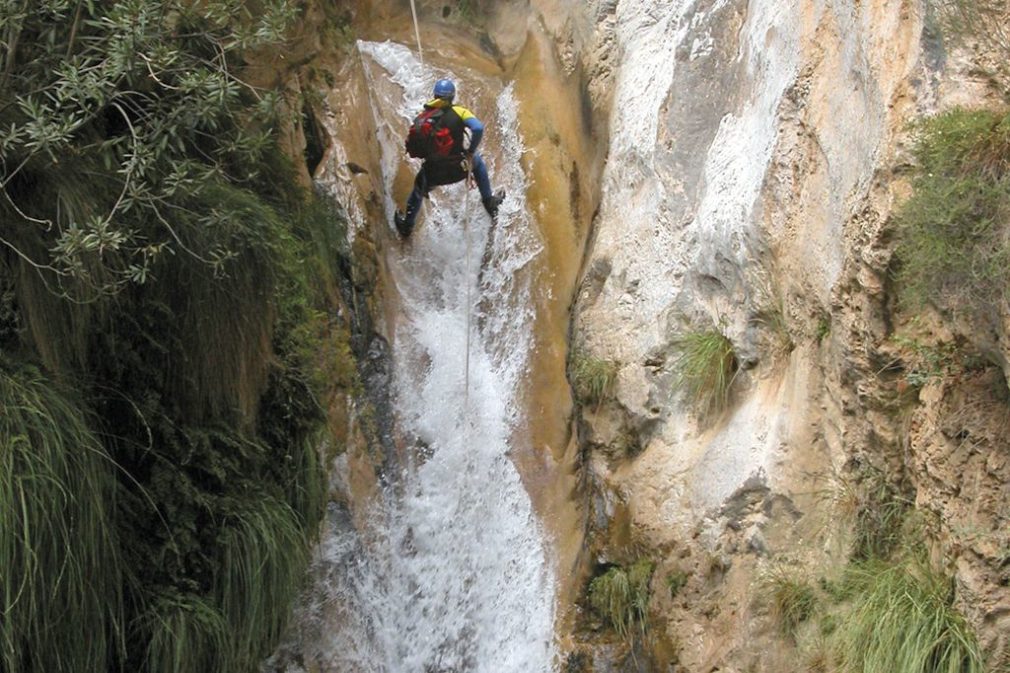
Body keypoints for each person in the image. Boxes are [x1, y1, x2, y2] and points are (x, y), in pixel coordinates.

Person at [393, 78, 504, 238]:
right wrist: (471, 152)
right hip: (459, 168)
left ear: (435, 95)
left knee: (417, 190)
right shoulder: (459, 111)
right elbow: (478, 128)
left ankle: (407, 226)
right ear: (452, 96)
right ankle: (489, 202)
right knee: (478, 163)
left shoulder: (423, 117)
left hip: (433, 174)